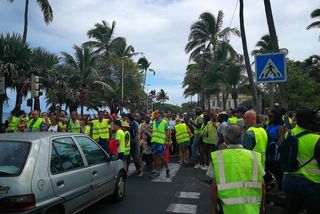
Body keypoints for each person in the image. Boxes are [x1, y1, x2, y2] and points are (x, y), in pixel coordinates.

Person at [210, 125, 266, 214]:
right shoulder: (255, 156)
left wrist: (213, 209)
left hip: (227, 209)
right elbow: (262, 184)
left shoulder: (218, 157)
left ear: (225, 139)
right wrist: (262, 206)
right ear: (242, 138)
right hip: (251, 209)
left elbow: (214, 187)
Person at [282, 108, 320, 214]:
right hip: (311, 182)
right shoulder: (316, 139)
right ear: (310, 122)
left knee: (291, 210)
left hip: (288, 180)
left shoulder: (289, 134)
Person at [150, 109, 171, 178]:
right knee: (155, 157)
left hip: (161, 142)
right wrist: (147, 128)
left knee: (159, 157)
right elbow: (154, 130)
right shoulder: (153, 121)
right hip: (154, 141)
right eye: (154, 113)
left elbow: (168, 131)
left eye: (155, 113)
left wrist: (167, 140)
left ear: (159, 114)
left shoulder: (164, 122)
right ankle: (161, 170)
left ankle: (161, 170)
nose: (154, 114)